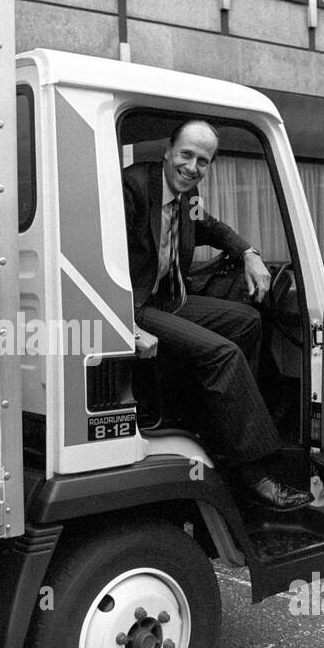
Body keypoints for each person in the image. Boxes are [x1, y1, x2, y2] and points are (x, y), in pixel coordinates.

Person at [125, 118, 310, 511]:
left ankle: (223, 425)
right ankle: (253, 474)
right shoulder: (134, 187)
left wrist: (249, 254)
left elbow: (216, 230)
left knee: (248, 321)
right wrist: (124, 324)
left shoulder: (188, 199)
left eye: (203, 161)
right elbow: (94, 256)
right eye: (186, 155)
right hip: (134, 308)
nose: (192, 167)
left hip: (169, 299)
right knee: (222, 353)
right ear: (167, 151)